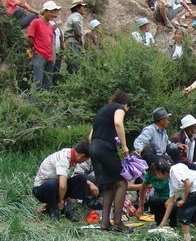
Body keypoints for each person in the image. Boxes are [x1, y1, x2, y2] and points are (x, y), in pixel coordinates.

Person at [89, 89, 133, 233]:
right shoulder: (119, 108)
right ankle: (118, 223)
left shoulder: (103, 110)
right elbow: (118, 124)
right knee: (122, 182)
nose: (126, 111)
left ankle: (105, 223)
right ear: (125, 104)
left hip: (93, 148)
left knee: (110, 185)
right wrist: (125, 146)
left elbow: (90, 136)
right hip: (104, 148)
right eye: (128, 108)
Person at [33, 140, 91, 221]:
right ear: (82, 156)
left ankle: (68, 208)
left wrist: (90, 184)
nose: (83, 162)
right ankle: (54, 210)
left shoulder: (71, 154)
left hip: (56, 187)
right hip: (42, 189)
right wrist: (60, 201)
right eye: (85, 160)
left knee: (81, 178)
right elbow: (63, 186)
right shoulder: (64, 159)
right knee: (52, 183)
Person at [157, 162, 196, 241]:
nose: (156, 176)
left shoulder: (175, 169)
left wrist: (183, 200)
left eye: (156, 174)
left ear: (160, 172)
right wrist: (163, 223)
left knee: (183, 212)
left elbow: (188, 183)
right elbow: (170, 202)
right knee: (192, 214)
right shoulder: (171, 181)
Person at [136, 153, 177, 228]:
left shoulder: (170, 173)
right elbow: (143, 188)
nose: (157, 176)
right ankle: (159, 221)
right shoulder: (150, 174)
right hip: (161, 200)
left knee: (173, 205)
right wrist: (141, 206)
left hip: (172, 200)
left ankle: (173, 222)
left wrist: (172, 199)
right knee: (153, 200)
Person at [27, 1, 60, 90]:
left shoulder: (50, 26)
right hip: (39, 56)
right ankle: (33, 103)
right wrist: (34, 49)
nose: (54, 14)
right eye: (52, 11)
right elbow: (30, 37)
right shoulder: (36, 22)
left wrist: (52, 56)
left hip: (49, 58)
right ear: (45, 11)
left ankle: (44, 104)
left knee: (47, 85)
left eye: (55, 12)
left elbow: (50, 43)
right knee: (37, 83)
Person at [63, 0, 87, 74]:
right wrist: (79, 35)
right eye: (83, 7)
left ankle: (70, 81)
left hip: (70, 42)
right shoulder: (77, 16)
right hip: (73, 42)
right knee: (75, 65)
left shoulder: (72, 16)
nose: (84, 9)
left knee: (72, 64)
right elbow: (76, 22)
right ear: (78, 8)